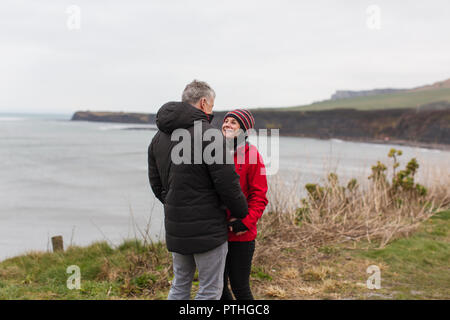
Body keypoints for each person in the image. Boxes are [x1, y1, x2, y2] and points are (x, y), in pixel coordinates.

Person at [148, 80, 248, 300]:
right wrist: (242, 211)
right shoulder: (210, 135)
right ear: (204, 103)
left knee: (180, 285)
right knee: (210, 289)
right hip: (208, 228)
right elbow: (227, 183)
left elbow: (156, 184)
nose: (212, 111)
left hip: (176, 226)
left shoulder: (158, 138)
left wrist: (177, 202)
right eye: (212, 105)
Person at [220, 109, 268, 300]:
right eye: (226, 121)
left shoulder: (253, 156)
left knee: (240, 287)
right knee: (219, 288)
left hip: (241, 235)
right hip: (216, 234)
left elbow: (260, 197)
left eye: (234, 122)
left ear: (244, 130)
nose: (228, 125)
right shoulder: (214, 153)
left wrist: (245, 222)